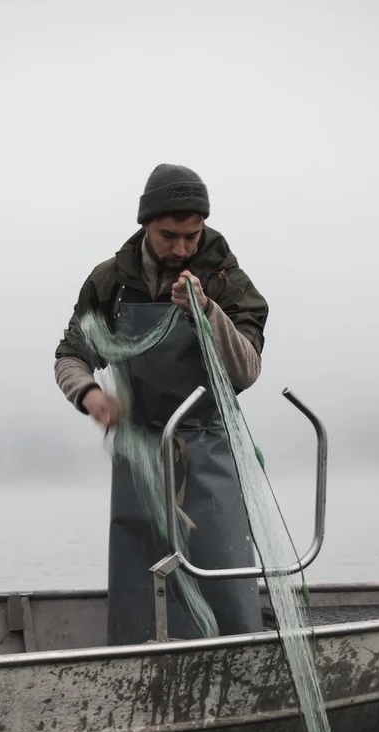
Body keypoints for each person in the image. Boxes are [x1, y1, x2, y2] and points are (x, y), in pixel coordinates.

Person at [53, 164, 271, 646]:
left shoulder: (226, 279)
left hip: (208, 454)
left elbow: (246, 370)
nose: (181, 249)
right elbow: (70, 355)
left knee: (223, 587)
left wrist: (205, 312)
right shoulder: (111, 281)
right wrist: (89, 395)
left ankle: (234, 674)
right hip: (139, 458)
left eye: (191, 236)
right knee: (140, 592)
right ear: (144, 225)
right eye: (168, 235)